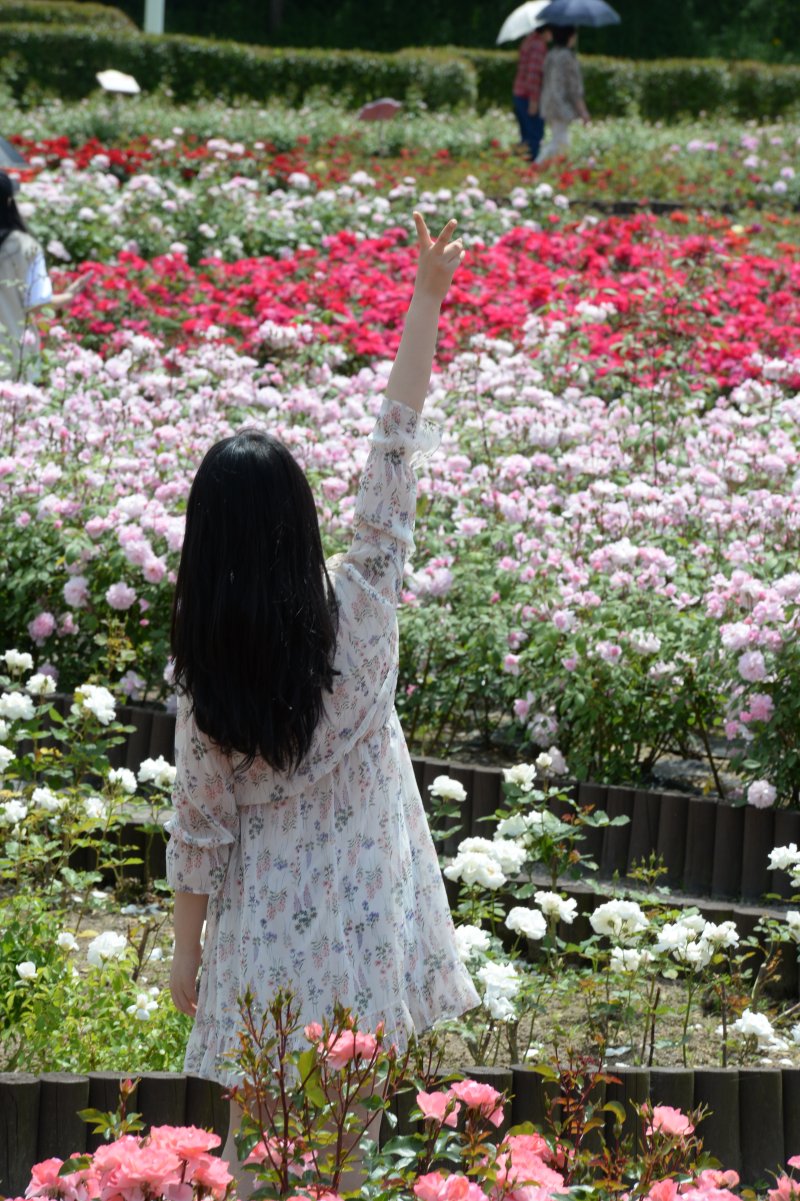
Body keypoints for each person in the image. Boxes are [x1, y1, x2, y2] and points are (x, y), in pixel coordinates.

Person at [166, 212, 480, 1191]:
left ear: (205, 548)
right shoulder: (364, 606)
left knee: (260, 1171)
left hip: (260, 949)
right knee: (345, 1166)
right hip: (360, 942)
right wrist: (424, 299)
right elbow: (395, 452)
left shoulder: (210, 678)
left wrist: (184, 957)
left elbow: (200, 831)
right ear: (303, 524)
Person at [0, 172, 85, 380]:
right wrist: (67, 296)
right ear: (9, 200)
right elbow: (37, 303)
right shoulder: (24, 246)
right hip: (12, 354)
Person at [535, 24, 590, 164]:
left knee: (560, 140)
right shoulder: (567, 57)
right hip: (560, 105)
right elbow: (574, 89)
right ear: (570, 37)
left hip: (548, 103)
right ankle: (536, 166)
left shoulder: (551, 54)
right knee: (560, 142)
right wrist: (583, 112)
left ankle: (550, 168)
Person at [512, 24, 551, 162]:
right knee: (534, 137)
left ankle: (514, 167)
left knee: (525, 137)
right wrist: (534, 100)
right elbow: (533, 75)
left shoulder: (528, 41)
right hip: (529, 97)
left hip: (520, 94)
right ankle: (528, 170)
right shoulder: (538, 46)